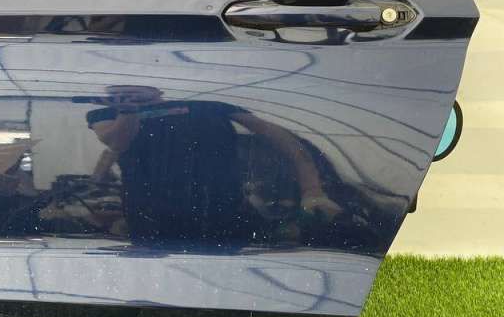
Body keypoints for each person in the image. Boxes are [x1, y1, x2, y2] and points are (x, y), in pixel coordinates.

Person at [85, 85, 340, 246]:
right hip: (148, 217)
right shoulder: (105, 110)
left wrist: (312, 190)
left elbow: (275, 134)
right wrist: (128, 109)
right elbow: (117, 142)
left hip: (221, 210)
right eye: (122, 91)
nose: (130, 92)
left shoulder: (205, 99)